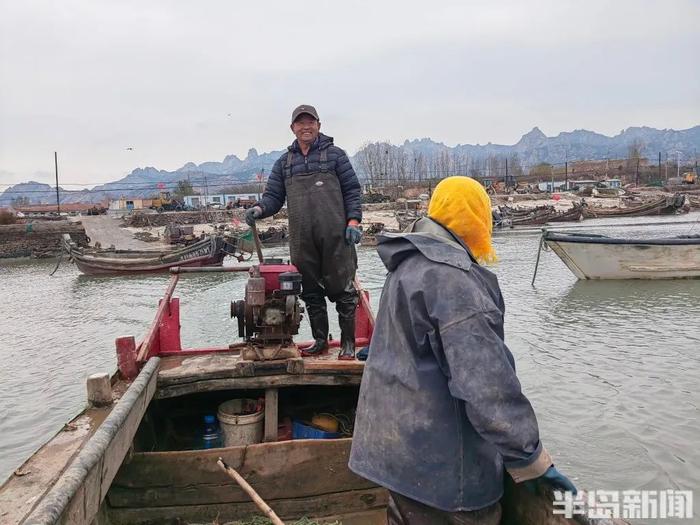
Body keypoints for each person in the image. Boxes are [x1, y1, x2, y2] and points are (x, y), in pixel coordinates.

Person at [349, 176, 576, 524]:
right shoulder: (455, 281)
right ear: (477, 220)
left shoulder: (406, 265)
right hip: (444, 474)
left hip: (394, 458)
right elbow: (488, 386)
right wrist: (531, 460)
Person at [246, 105, 363, 360]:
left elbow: (353, 190)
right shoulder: (284, 162)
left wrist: (353, 222)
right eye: (300, 123)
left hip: (336, 236)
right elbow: (273, 197)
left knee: (344, 291)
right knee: (310, 292)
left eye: (310, 122)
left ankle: (348, 345)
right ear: (292, 128)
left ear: (319, 125)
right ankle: (320, 341)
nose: (305, 127)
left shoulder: (336, 156)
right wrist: (258, 209)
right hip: (302, 238)